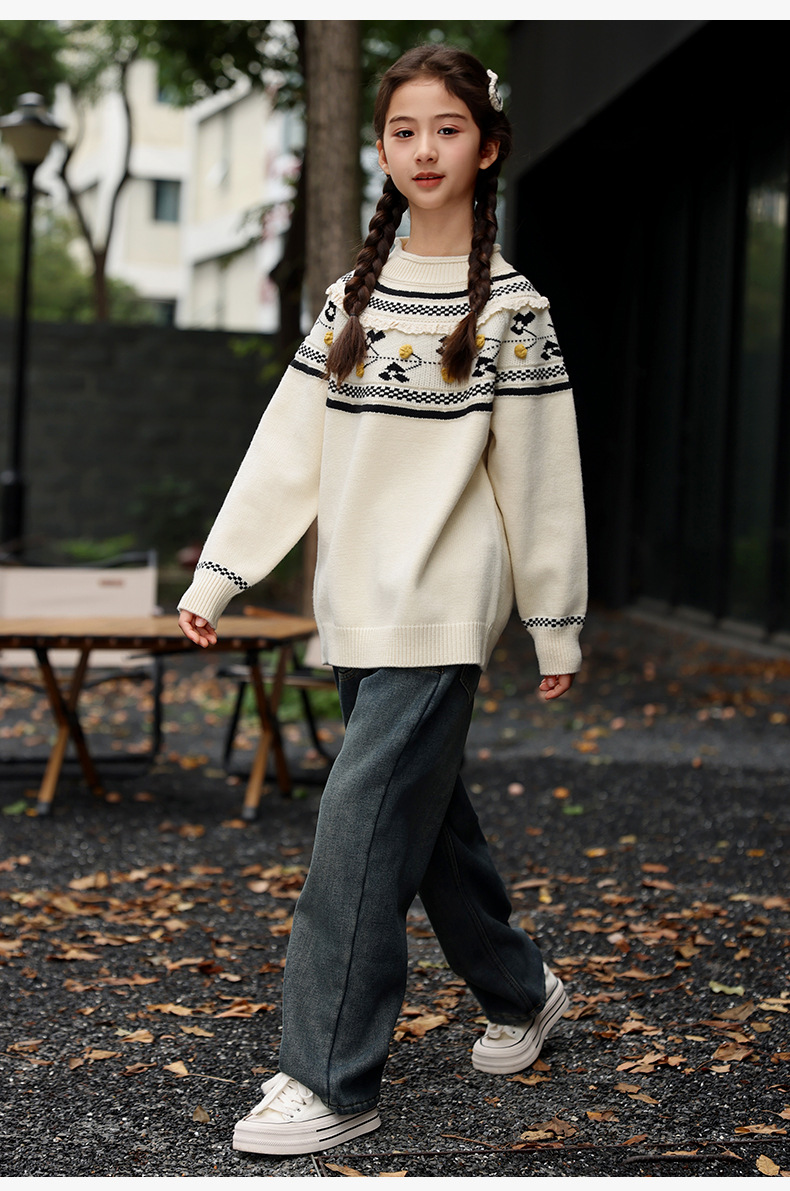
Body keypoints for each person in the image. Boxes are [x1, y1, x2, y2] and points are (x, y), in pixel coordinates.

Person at [178, 43, 587, 1158]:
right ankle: (521, 990)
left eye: (447, 129)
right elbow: (288, 448)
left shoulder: (513, 309)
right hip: (355, 603)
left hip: (444, 605)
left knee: (355, 833)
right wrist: (224, 571)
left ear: (487, 147)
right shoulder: (350, 298)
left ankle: (328, 1077)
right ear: (381, 148)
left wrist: (553, 621)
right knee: (424, 817)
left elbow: (541, 479)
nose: (424, 149)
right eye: (404, 130)